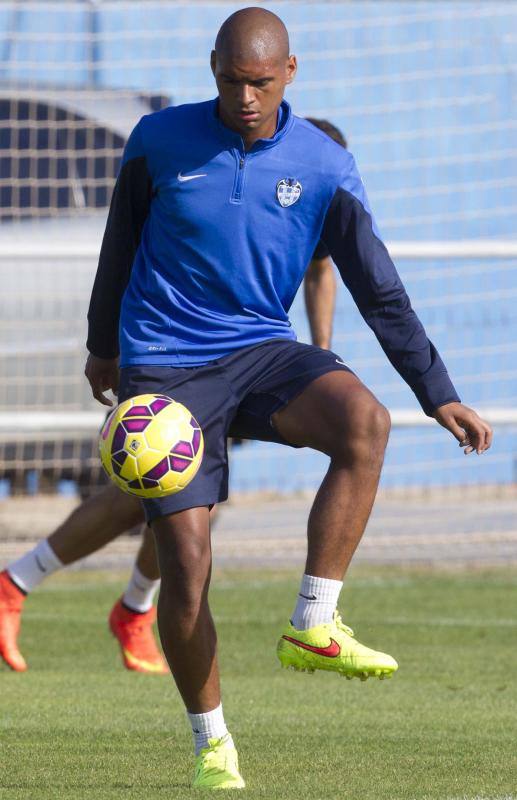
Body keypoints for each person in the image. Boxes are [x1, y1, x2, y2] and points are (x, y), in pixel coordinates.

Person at [84, 7, 499, 788]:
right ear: (212, 68)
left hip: (257, 349)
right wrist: (101, 345)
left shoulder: (322, 163)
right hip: (165, 367)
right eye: (233, 80)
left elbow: (379, 289)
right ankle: (212, 741)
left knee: (363, 423)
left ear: (290, 73)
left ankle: (313, 619)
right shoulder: (159, 141)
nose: (246, 96)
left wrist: (435, 392)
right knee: (188, 561)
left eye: (262, 82)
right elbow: (120, 244)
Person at [0, 118, 343, 677]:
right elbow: (131, 247)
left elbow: (321, 269)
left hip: (248, 361)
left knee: (178, 489)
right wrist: (108, 341)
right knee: (163, 485)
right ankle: (33, 586)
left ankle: (111, 601)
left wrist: (318, 361)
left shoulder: (320, 184)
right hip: (180, 353)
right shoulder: (227, 174)